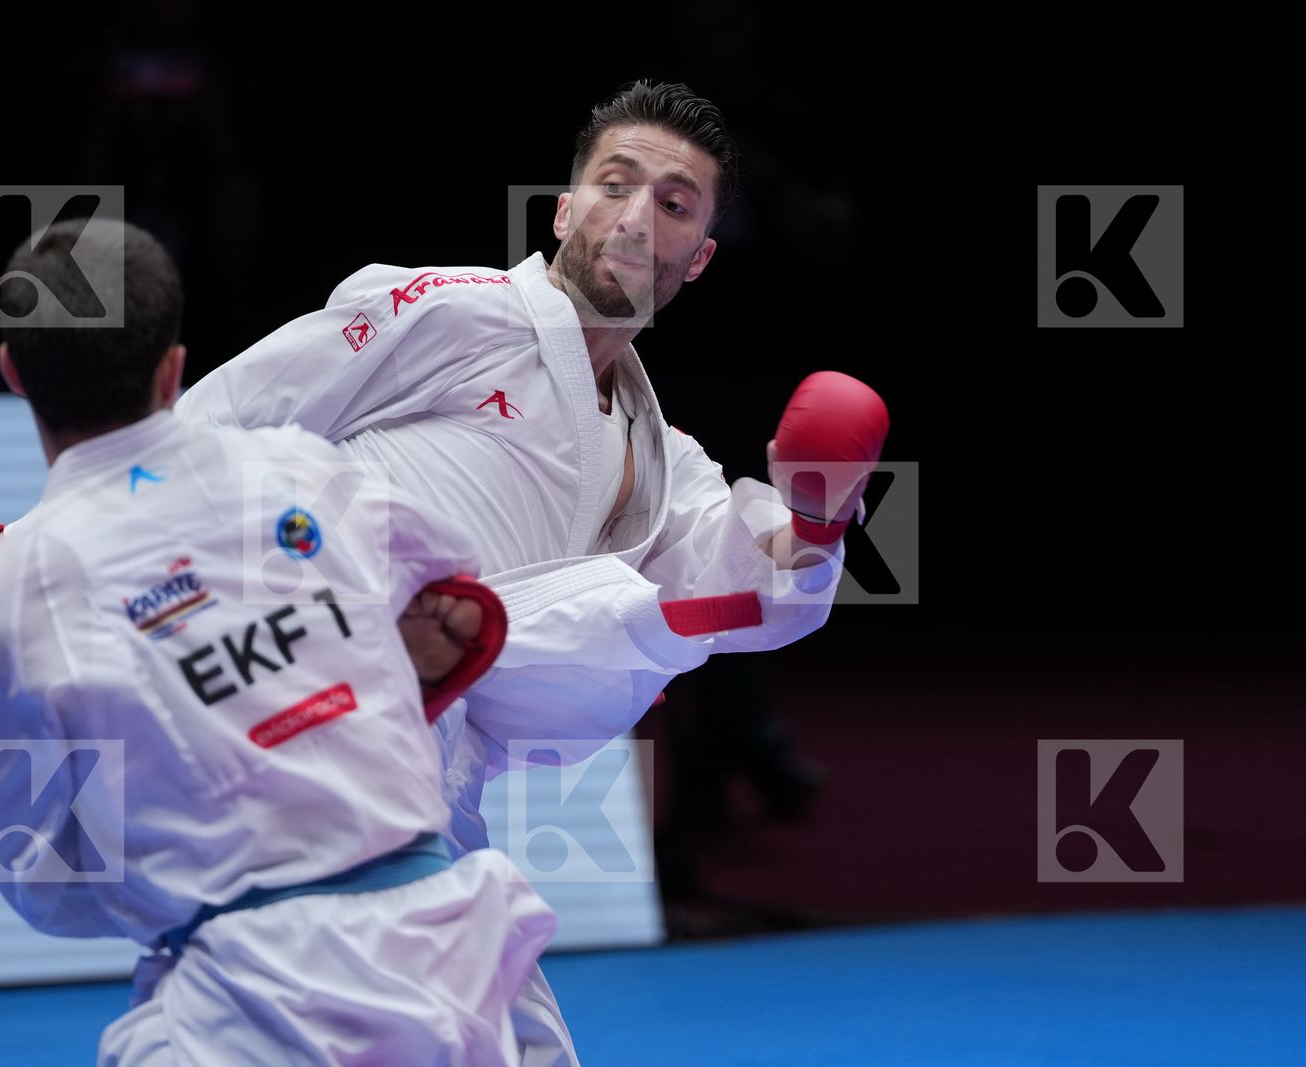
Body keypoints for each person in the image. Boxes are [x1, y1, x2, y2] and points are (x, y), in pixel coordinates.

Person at [175, 79, 889, 1065]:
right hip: (318, 740)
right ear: (563, 207)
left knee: (510, 1043)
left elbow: (747, 585)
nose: (637, 218)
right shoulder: (443, 310)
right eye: (614, 183)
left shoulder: (656, 451)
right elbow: (207, 427)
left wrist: (816, 521)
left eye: (674, 204)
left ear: (699, 259)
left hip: (436, 794)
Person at [0, 218, 557, 1065]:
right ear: (174, 365)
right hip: (459, 957)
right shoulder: (304, 469)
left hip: (248, 1006)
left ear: (12, 373)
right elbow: (456, 590)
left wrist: (179, 830)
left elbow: (32, 875)